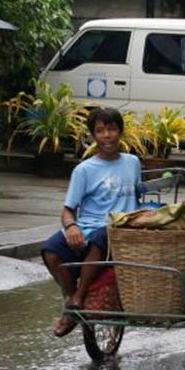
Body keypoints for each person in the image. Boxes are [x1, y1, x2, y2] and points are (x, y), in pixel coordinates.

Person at [42, 107, 142, 337]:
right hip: (86, 227)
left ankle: (78, 299)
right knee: (50, 249)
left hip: (118, 229)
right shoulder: (84, 170)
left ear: (120, 132)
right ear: (93, 136)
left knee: (102, 235)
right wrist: (71, 226)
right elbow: (68, 210)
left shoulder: (133, 162)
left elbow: (137, 197)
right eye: (100, 131)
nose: (106, 135)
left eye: (111, 129)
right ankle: (72, 299)